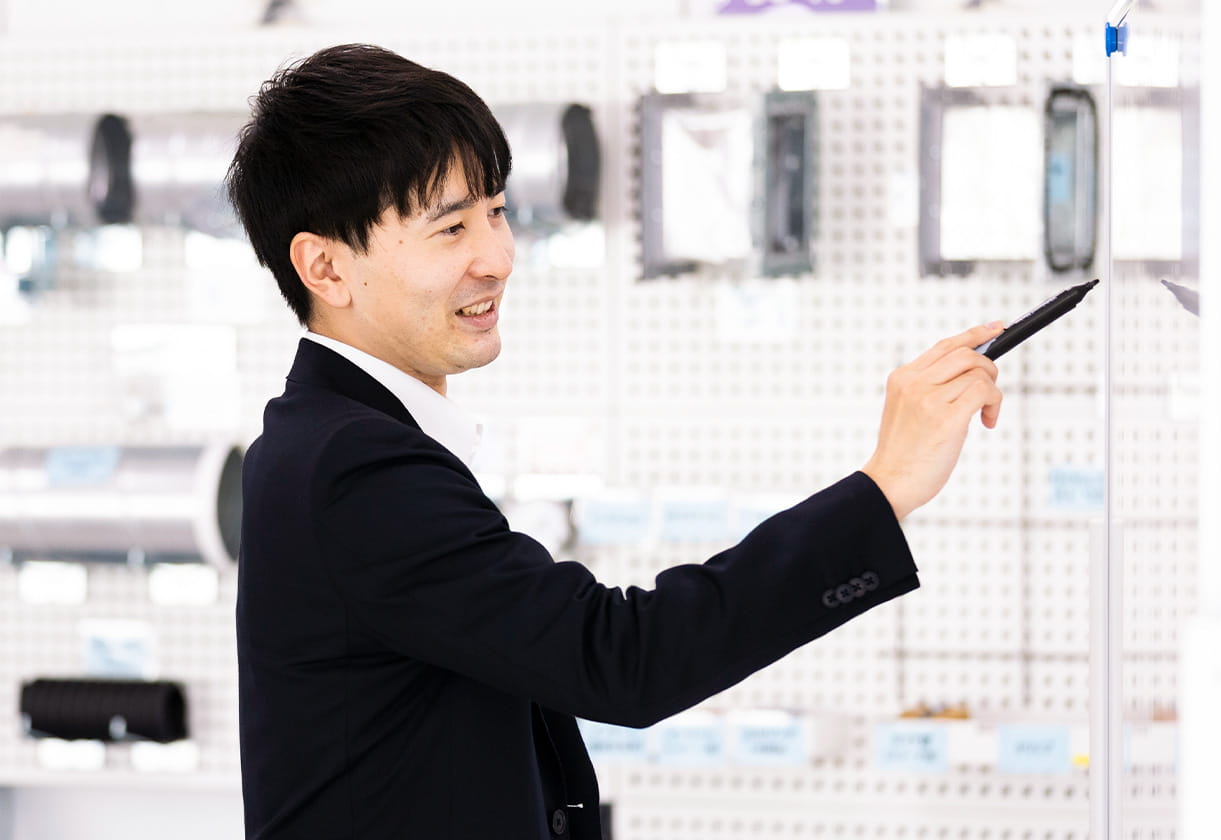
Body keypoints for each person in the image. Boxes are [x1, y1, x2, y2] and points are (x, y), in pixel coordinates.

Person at [228, 43, 1003, 840]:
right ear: (325, 268)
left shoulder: (329, 440)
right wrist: (886, 485)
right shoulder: (352, 467)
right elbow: (621, 659)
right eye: (451, 227)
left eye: (496, 211)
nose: (497, 257)